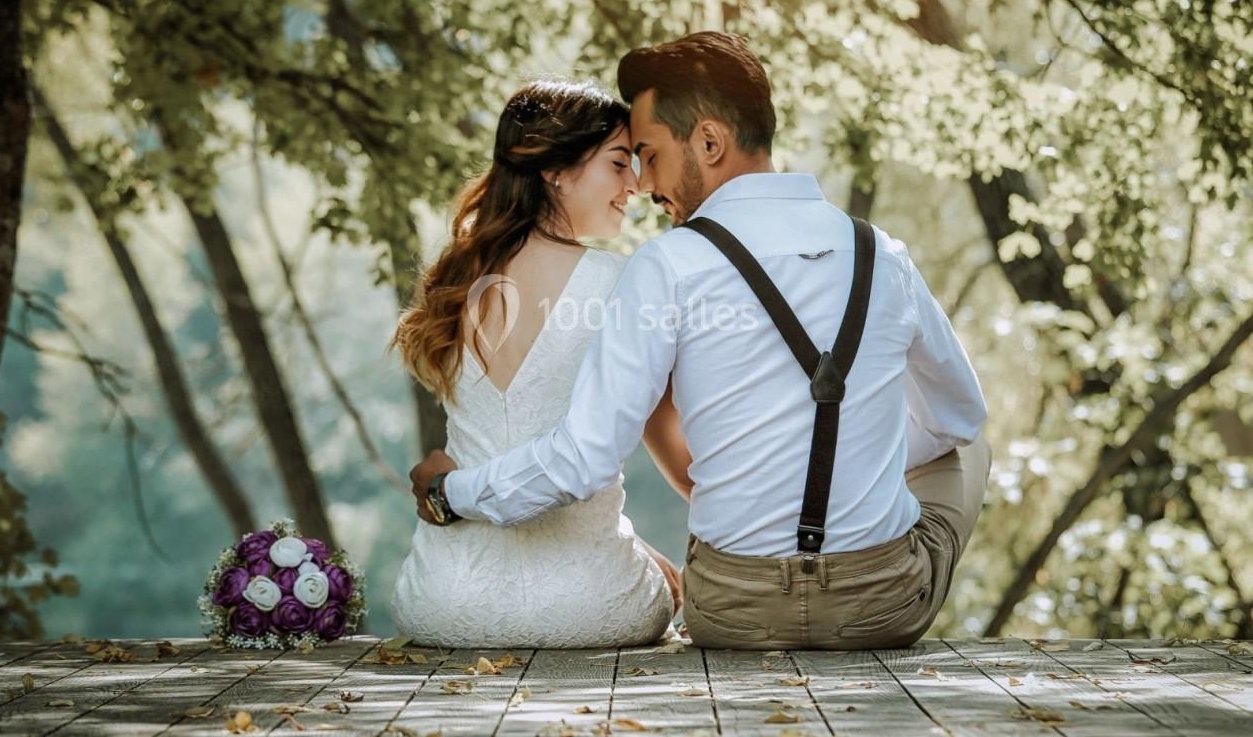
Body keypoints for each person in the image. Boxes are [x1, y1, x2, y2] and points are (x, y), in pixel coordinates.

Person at [412, 32, 991, 650]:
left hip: (731, 612)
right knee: (967, 444)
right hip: (882, 607)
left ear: (709, 142)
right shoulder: (884, 256)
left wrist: (452, 491)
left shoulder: (665, 266)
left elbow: (583, 457)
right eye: (627, 160)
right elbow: (958, 416)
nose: (644, 183)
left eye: (649, 155)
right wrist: (857, 464)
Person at [387, 79, 689, 648]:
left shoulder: (455, 282)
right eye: (619, 163)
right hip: (590, 605)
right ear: (555, 170)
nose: (636, 184)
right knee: (662, 591)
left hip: (444, 602)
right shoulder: (622, 282)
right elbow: (675, 456)